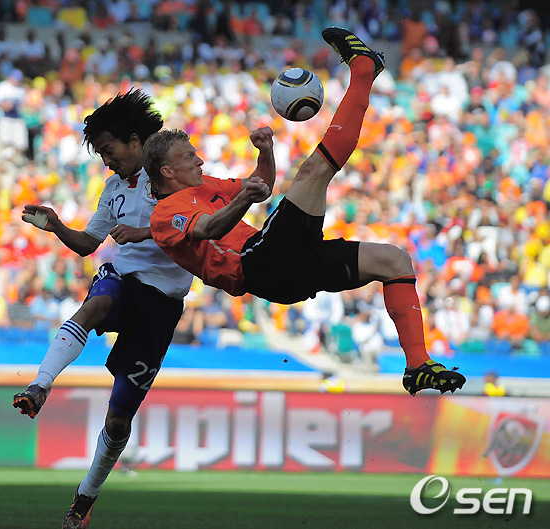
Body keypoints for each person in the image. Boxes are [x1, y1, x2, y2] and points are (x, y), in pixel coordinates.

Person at [144, 27, 466, 397]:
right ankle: (363, 71)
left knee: (394, 261)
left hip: (288, 270)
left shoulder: (205, 185)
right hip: (257, 264)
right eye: (189, 157)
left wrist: (265, 152)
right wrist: (243, 200)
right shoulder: (165, 214)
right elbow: (209, 230)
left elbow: (260, 185)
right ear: (167, 171)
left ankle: (418, 365)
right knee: (314, 171)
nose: (199, 160)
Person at [11, 89, 193, 529]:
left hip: (161, 303)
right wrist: (57, 225)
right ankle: (40, 385)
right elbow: (89, 244)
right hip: (123, 278)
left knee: (118, 420)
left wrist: (147, 232)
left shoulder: (173, 177)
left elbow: (197, 227)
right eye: (101, 154)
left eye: (110, 150)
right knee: (99, 301)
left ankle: (85, 497)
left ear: (135, 141)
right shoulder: (112, 189)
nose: (107, 161)